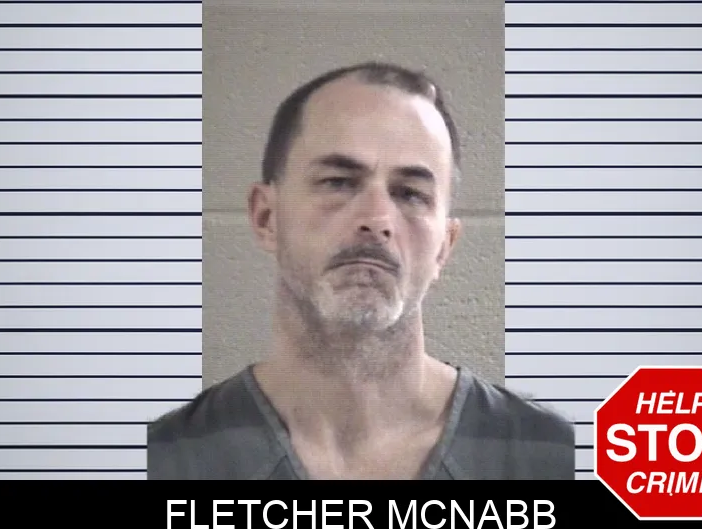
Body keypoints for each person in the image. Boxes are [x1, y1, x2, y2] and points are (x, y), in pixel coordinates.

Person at [147, 61, 575, 480]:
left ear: (444, 248)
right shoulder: (163, 460)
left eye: (410, 193)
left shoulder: (554, 459)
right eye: (338, 182)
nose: (377, 219)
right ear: (266, 218)